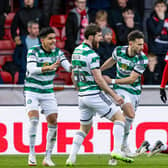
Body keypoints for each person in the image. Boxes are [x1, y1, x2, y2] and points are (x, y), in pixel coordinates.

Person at [65, 23, 134, 166]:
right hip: (93, 93)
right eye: (98, 36)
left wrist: (78, 88)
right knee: (119, 118)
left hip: (82, 96)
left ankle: (71, 158)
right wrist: (114, 95)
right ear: (91, 36)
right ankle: (116, 150)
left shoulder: (76, 51)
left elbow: (73, 75)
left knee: (84, 127)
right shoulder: (92, 55)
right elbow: (99, 79)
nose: (100, 39)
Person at [25, 27, 71, 166]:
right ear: (42, 40)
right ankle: (32, 153)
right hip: (32, 90)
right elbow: (31, 70)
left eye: (54, 38)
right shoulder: (34, 51)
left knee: (53, 122)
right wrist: (49, 67)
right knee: (33, 120)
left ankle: (47, 157)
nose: (53, 41)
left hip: (47, 91)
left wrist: (79, 64)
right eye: (50, 38)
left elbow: (68, 68)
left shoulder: (58, 53)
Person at [101, 30, 148, 160]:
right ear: (131, 43)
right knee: (130, 113)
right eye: (138, 44)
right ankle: (119, 147)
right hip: (120, 89)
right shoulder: (119, 51)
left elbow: (132, 79)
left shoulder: (142, 59)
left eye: (142, 44)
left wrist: (111, 81)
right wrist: (99, 71)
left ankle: (121, 146)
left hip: (134, 90)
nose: (141, 47)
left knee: (129, 118)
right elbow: (112, 60)